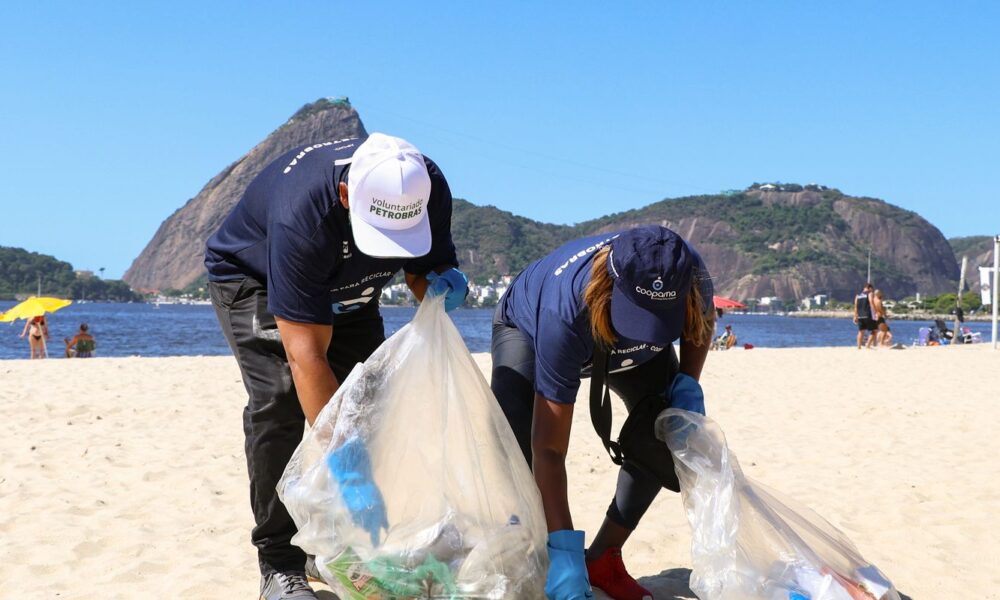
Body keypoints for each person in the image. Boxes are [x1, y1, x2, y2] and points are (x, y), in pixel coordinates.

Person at [204, 133, 468, 600]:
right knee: (281, 402)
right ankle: (279, 563)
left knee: (369, 401)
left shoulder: (425, 185)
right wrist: (349, 467)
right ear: (347, 195)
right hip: (257, 278)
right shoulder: (302, 215)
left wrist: (442, 289)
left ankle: (330, 548)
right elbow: (307, 356)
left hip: (354, 289)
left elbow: (422, 270)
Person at [491, 226, 714, 600]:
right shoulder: (561, 312)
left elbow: (700, 325)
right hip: (531, 330)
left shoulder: (689, 272)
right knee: (517, 447)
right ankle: (546, 556)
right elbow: (550, 449)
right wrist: (564, 549)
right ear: (608, 284)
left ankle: (603, 557)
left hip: (636, 350)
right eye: (639, 314)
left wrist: (687, 385)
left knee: (665, 437)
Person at [853, 283, 877, 349]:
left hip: (860, 315)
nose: (872, 291)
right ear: (870, 288)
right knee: (874, 330)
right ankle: (868, 346)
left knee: (861, 331)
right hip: (868, 315)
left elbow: (855, 307)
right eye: (872, 289)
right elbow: (871, 303)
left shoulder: (857, 296)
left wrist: (855, 316)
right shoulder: (869, 294)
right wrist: (875, 312)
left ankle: (859, 347)